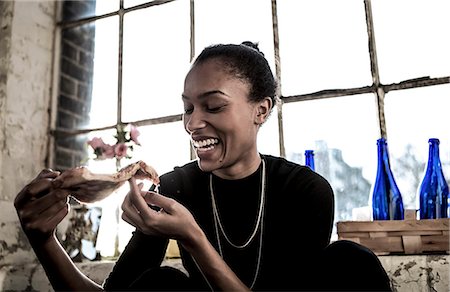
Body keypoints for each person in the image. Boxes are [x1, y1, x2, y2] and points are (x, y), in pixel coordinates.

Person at [14, 41, 391, 291]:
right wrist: (42, 239)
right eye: (188, 108)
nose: (193, 123)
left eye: (212, 107)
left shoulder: (305, 190)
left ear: (261, 110)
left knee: (351, 261)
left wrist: (194, 238)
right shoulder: (175, 189)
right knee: (160, 285)